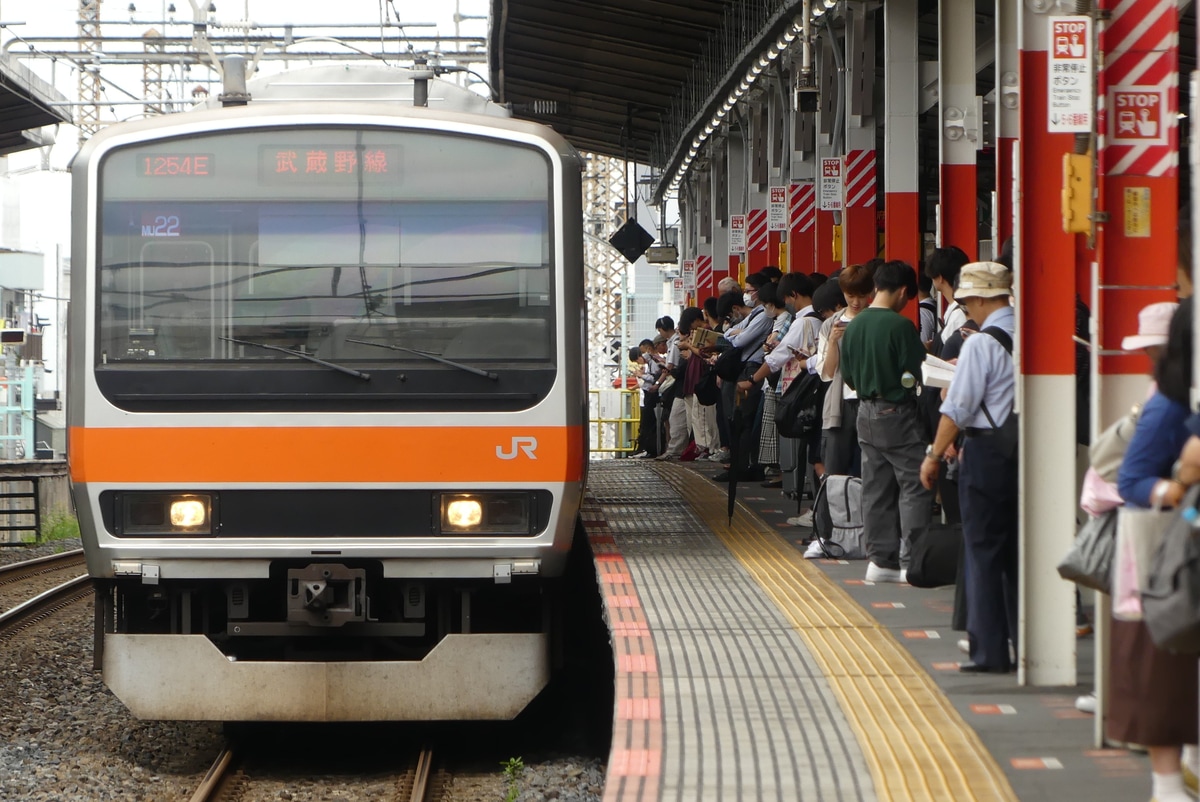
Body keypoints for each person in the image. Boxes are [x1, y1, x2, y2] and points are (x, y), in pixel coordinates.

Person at [1110, 299, 1198, 802]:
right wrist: (1178, 489)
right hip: (1178, 547)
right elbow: (1132, 479)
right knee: (1165, 656)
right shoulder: (1170, 403)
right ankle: (1168, 785)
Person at [919, 262, 1017, 671]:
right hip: (1026, 448)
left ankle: (989, 650)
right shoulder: (1030, 329)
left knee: (983, 551)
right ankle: (1027, 638)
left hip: (987, 452)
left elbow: (957, 408)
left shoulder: (979, 344)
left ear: (977, 298)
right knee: (1018, 550)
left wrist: (933, 454)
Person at [841, 260, 931, 584]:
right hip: (896, 412)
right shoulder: (900, 326)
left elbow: (848, 375)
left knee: (875, 487)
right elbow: (917, 374)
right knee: (914, 484)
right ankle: (911, 561)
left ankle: (880, 561)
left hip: (864, 411)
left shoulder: (854, 325)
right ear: (905, 291)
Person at [813, 263, 874, 479]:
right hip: (840, 403)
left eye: (862, 295)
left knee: (870, 469)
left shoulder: (878, 321)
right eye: (850, 295)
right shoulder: (830, 325)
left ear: (871, 292)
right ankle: (834, 513)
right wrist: (832, 343)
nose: (856, 302)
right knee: (835, 470)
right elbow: (827, 373)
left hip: (872, 400)